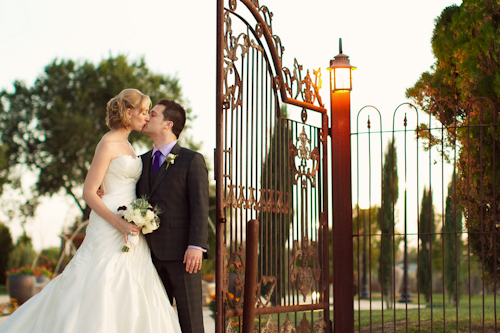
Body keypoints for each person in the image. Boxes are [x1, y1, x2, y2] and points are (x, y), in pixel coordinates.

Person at [0, 89, 181, 333]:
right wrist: (120, 223)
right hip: (110, 223)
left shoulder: (128, 145)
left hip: (131, 222)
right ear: (129, 112)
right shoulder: (107, 143)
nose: (147, 117)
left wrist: (139, 216)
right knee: (100, 277)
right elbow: (88, 192)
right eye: (143, 112)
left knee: (131, 282)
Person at [137, 99, 209, 333]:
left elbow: (200, 205)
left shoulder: (191, 160)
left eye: (153, 114)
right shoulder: (140, 161)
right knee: (155, 322)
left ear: (168, 124)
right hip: (147, 255)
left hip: (183, 256)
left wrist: (196, 245)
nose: (147, 117)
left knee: (190, 322)